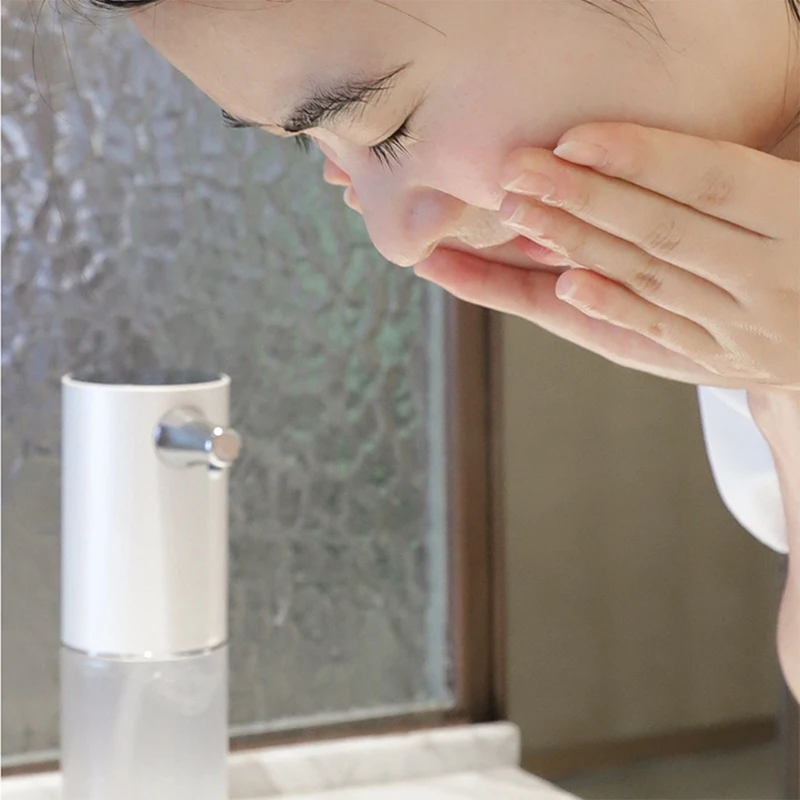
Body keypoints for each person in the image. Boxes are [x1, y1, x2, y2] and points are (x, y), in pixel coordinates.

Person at [87, 0, 799, 699]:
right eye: (315, 146)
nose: (396, 241)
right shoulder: (762, 292)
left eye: (385, 128)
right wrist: (784, 391)